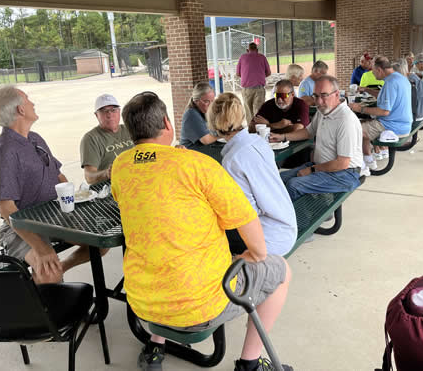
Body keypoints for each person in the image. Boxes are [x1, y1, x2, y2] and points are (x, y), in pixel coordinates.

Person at [111, 91, 293, 371]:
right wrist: (253, 255)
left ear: (130, 130)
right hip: (199, 307)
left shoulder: (120, 167)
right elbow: (251, 229)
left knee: (164, 244)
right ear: (167, 123)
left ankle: (156, 344)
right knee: (281, 271)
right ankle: (250, 363)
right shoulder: (199, 165)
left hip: (142, 303)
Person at [0, 84, 97, 284]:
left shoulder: (35, 138)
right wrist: (41, 247)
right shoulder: (5, 150)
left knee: (97, 242)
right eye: (28, 99)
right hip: (20, 226)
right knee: (49, 271)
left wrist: (74, 203)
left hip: (51, 218)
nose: (33, 103)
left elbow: (59, 176)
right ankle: (45, 287)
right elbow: (5, 208)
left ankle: (52, 276)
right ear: (21, 109)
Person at [208, 92, 297, 256]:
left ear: (213, 123)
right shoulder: (259, 142)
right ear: (242, 116)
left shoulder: (232, 160)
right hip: (287, 225)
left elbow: (246, 213)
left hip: (267, 239)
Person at [271, 75, 363, 200]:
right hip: (322, 166)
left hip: (345, 174)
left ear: (336, 94)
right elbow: (308, 132)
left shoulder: (346, 120)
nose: (318, 102)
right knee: (280, 179)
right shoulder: (324, 111)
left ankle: (301, 213)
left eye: (324, 95)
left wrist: (312, 170)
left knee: (294, 185)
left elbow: (342, 163)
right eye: (315, 96)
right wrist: (282, 137)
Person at [349, 57, 412, 172]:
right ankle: (368, 160)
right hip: (403, 123)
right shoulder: (400, 78)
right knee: (361, 124)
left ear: (379, 70)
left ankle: (359, 165)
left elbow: (384, 111)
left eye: (373, 71)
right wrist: (367, 90)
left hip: (393, 126)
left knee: (352, 129)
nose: (373, 74)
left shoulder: (390, 83)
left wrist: (360, 108)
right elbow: (385, 96)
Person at [80, 94, 134, 184]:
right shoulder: (91, 138)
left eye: (113, 110)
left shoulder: (130, 129)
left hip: (136, 180)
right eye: (104, 111)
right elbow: (89, 177)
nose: (109, 115)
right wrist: (107, 173)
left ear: (119, 112)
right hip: (109, 187)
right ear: (96, 115)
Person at [236, 42, 272, 123]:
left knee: (249, 111)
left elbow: (238, 74)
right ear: (257, 50)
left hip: (246, 89)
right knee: (259, 111)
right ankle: (259, 128)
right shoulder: (262, 57)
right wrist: (260, 76)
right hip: (259, 88)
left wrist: (247, 76)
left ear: (247, 50)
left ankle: (251, 128)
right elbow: (269, 73)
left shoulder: (243, 57)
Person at [179, 82, 219, 148]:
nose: (211, 104)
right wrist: (224, 135)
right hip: (191, 151)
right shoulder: (191, 114)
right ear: (196, 101)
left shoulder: (203, 111)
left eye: (212, 101)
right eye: (206, 101)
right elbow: (206, 140)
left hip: (204, 149)